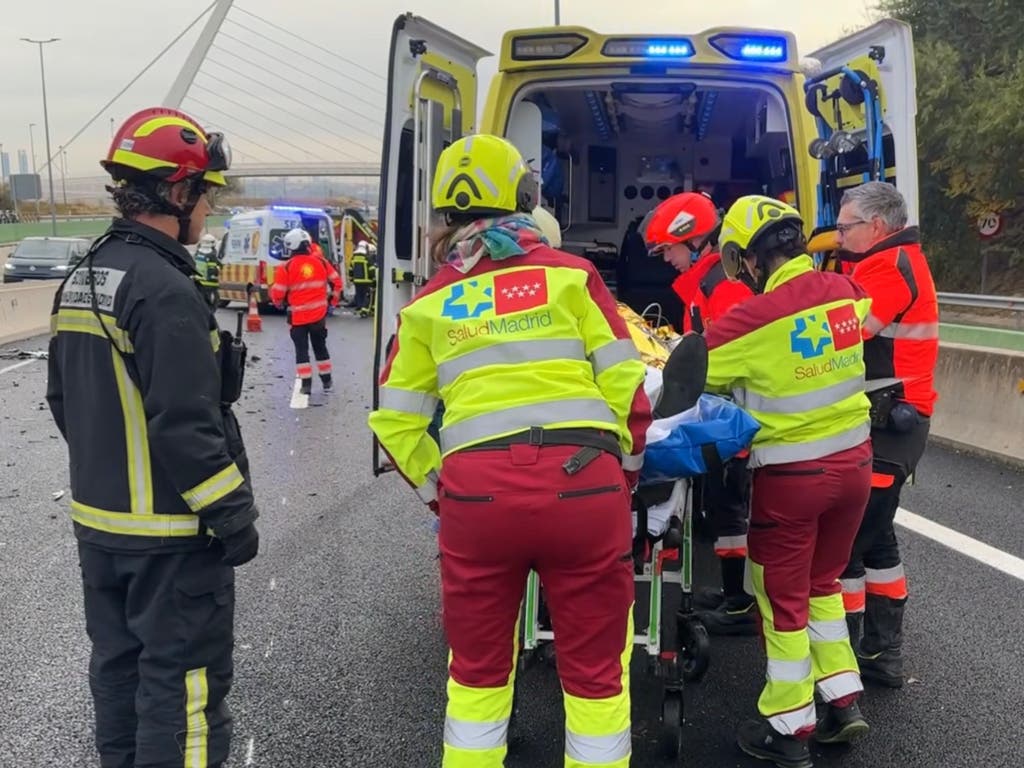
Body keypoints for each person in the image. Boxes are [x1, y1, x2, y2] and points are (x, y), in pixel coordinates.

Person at [368, 133, 652, 768]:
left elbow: (395, 422)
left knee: (475, 674)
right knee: (597, 675)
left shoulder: (426, 304)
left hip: (477, 497)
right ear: (526, 198)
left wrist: (443, 494)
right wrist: (623, 476)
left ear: (444, 215)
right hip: (586, 488)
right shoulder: (572, 276)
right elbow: (628, 388)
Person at [46, 106, 259, 768]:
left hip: (101, 532)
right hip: (170, 539)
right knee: (185, 695)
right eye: (206, 192)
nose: (210, 207)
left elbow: (62, 400)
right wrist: (234, 518)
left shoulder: (83, 278)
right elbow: (187, 423)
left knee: (120, 680)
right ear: (176, 191)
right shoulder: (163, 289)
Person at [701, 195, 874, 765]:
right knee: (824, 584)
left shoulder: (752, 319)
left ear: (749, 258)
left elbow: (693, 372)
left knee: (781, 602)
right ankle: (843, 702)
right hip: (854, 466)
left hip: (794, 477)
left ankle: (788, 730)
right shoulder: (846, 292)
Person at [834, 181, 938, 688]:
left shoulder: (888, 268)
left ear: (875, 227)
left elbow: (845, 334)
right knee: (878, 542)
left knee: (849, 542)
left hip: (890, 423)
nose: (837, 236)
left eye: (844, 227)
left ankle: (843, 663)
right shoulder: (892, 262)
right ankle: (880, 655)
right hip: (895, 421)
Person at [643, 191, 757, 635]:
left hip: (731, 416)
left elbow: (729, 349)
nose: (664, 258)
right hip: (722, 411)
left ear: (692, 239)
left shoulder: (722, 286)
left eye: (667, 248)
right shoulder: (707, 282)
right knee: (725, 511)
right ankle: (733, 595)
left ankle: (740, 602)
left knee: (733, 512)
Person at [271, 227, 342, 395]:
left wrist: (278, 303)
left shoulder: (286, 267)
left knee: (301, 352)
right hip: (318, 316)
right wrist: (332, 302)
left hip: (298, 318)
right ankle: (327, 382)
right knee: (320, 348)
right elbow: (337, 283)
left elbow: (279, 292)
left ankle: (306, 386)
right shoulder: (322, 262)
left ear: (291, 246)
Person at [194, 232, 221, 308]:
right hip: (210, 283)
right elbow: (212, 270)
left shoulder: (198, 253)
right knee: (213, 303)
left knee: (201, 303)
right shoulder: (211, 254)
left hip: (198, 282)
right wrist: (219, 269)